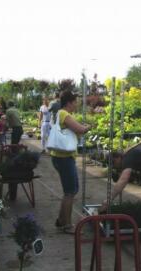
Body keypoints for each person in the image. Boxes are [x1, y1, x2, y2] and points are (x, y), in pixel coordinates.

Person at [51, 90, 90, 234]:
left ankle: (61, 220)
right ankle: (67, 224)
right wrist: (88, 127)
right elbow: (80, 129)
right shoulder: (64, 114)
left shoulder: (61, 114)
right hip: (64, 158)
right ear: (69, 102)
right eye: (75, 102)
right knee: (70, 192)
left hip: (61, 157)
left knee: (70, 190)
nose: (76, 104)